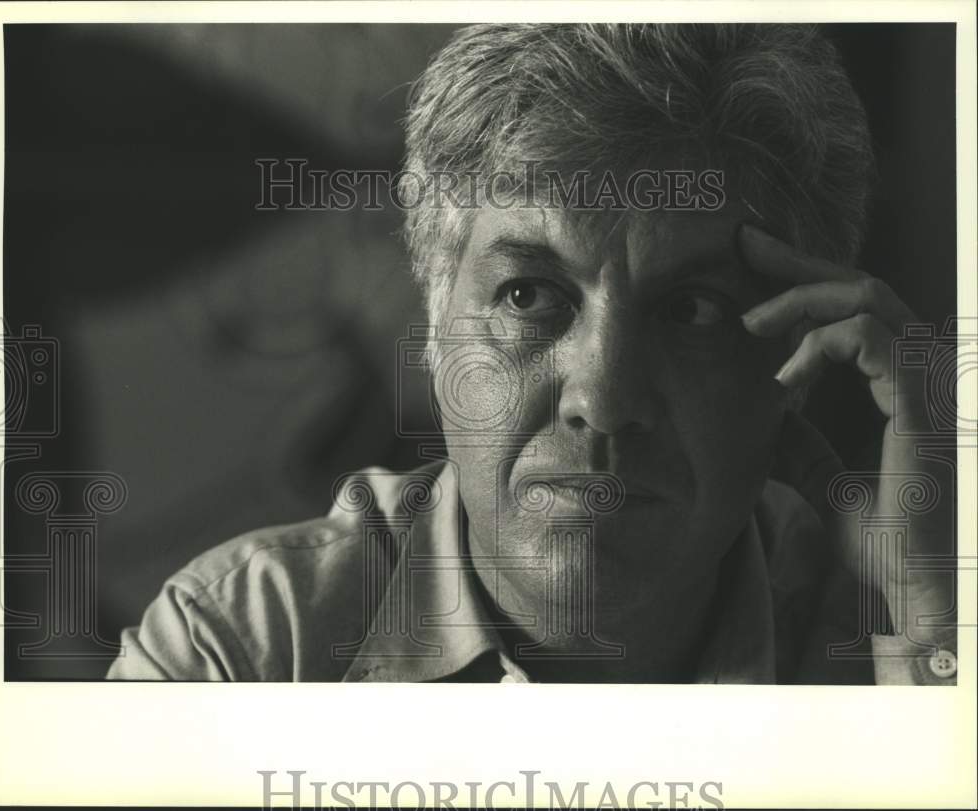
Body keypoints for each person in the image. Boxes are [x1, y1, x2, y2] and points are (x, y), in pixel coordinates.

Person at [107, 23, 957, 684]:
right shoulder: (243, 651)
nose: (603, 396)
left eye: (693, 309)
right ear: (437, 331)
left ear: (798, 367)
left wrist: (933, 616)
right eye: (527, 296)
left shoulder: (899, 631)